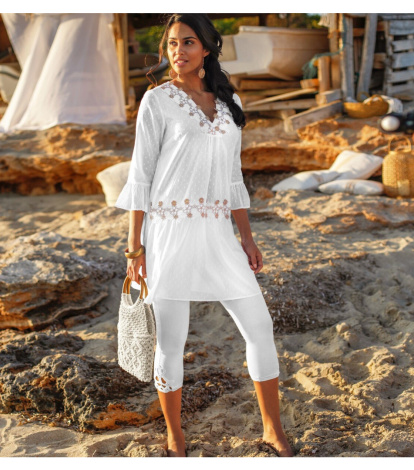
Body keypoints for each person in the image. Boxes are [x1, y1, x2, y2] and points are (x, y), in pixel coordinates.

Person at [115, 13, 294, 458]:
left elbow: (233, 176)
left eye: (188, 42)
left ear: (208, 48)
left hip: (217, 233)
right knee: (171, 340)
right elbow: (141, 176)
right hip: (168, 233)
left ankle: (272, 430)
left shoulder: (229, 100)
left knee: (260, 326)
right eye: (172, 43)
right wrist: (135, 248)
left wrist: (246, 237)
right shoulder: (157, 100)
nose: (178, 51)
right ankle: (175, 436)